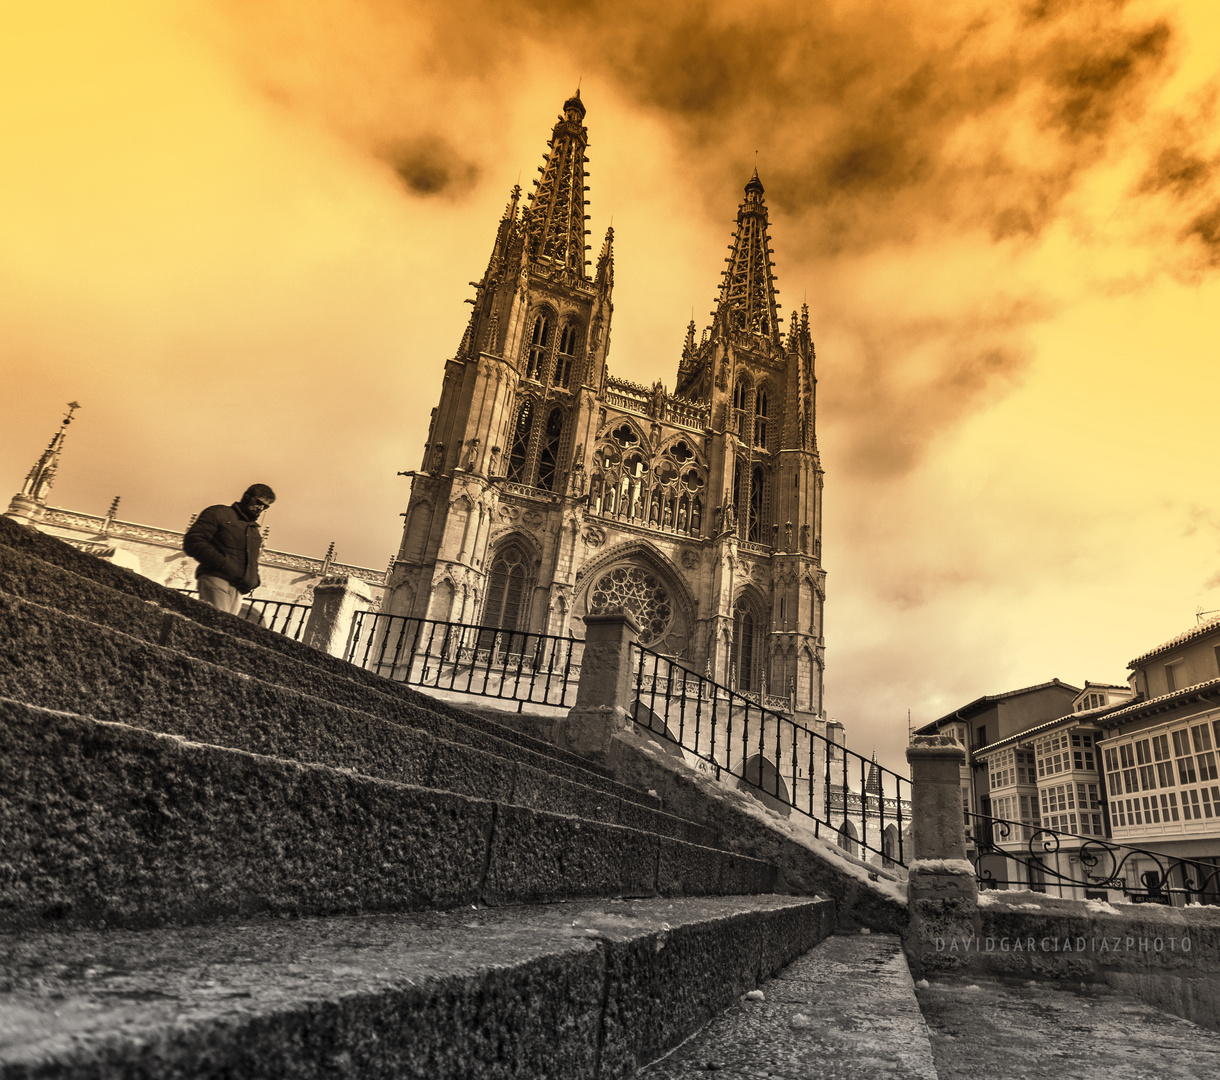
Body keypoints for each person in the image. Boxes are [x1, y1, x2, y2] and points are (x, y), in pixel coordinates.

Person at [183, 484, 276, 614]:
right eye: (258, 502)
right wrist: (223, 564)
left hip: (238, 588)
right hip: (217, 579)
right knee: (217, 626)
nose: (261, 508)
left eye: (265, 506)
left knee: (226, 630)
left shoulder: (254, 530)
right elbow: (193, 541)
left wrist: (254, 579)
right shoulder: (219, 513)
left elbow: (251, 560)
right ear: (247, 497)